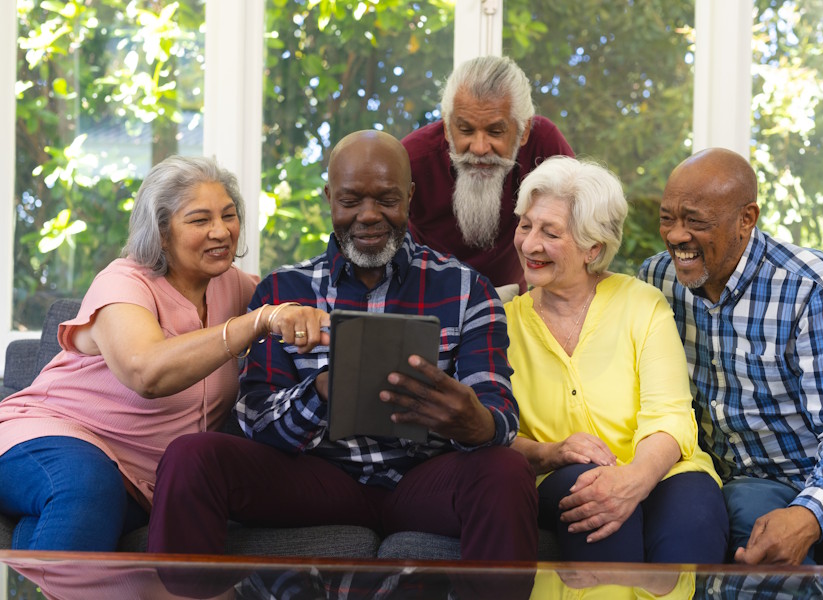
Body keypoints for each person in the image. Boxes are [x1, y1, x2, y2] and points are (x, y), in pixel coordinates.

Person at [147, 130, 538, 564]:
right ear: (329, 197)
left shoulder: (467, 290)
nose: (368, 216)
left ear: (410, 196)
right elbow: (256, 420)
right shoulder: (283, 292)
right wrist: (322, 392)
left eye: (387, 200)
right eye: (350, 202)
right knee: (191, 456)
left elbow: (499, 418)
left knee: (506, 470)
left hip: (425, 480)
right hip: (319, 478)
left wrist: (472, 421)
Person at [0, 156, 315, 551]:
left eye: (229, 215)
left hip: (134, 483)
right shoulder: (124, 283)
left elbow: (304, 295)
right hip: (48, 435)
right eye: (200, 220)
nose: (221, 231)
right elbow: (147, 373)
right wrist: (253, 324)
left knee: (88, 504)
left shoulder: (231, 286)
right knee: (87, 488)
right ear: (162, 233)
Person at [639, 147, 823, 566]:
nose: (675, 235)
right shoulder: (655, 281)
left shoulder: (814, 287)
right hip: (754, 480)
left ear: (747, 219)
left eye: (695, 221)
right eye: (667, 218)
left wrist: (808, 512)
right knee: (750, 523)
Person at [505, 156, 728, 565]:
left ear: (593, 247)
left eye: (550, 232)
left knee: (694, 517)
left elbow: (670, 415)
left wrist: (633, 480)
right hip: (560, 476)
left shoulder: (641, 302)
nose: (530, 244)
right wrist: (553, 451)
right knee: (588, 493)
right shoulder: (500, 323)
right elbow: (493, 434)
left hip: (662, 469)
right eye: (526, 225)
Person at [402, 55, 574, 293]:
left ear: (523, 132)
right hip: (427, 299)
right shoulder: (412, 158)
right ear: (447, 128)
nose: (480, 148)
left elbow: (581, 224)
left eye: (495, 131)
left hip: (509, 300)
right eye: (465, 130)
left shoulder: (543, 145)